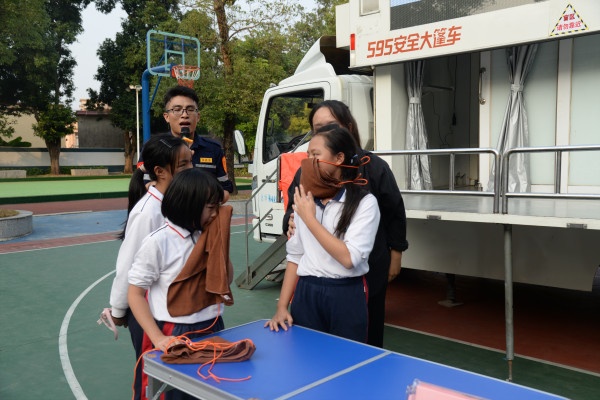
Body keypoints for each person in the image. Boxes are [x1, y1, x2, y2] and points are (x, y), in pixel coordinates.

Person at [282, 100, 408, 348]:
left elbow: (394, 210)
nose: (323, 132)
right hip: (314, 283)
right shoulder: (307, 171)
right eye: (317, 129)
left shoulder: (374, 169)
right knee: (308, 350)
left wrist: (396, 253)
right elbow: (293, 210)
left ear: (348, 127)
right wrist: (290, 222)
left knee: (365, 337)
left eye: (330, 125)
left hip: (366, 268)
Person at [266, 126, 381, 343]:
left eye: (316, 155)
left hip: (345, 294)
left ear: (339, 158)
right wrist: (281, 306)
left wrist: (309, 219)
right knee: (305, 355)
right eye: (308, 155)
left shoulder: (365, 203)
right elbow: (295, 256)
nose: (309, 161)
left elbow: (349, 258)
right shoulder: (306, 199)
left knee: (346, 357)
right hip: (306, 292)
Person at [128, 168, 231, 400]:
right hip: (174, 331)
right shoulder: (158, 242)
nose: (216, 213)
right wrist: (158, 338)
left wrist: (221, 247)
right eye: (211, 208)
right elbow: (134, 294)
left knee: (209, 391)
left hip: (212, 326)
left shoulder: (207, 234)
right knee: (173, 394)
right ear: (189, 206)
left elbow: (226, 280)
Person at [108, 133, 192, 400]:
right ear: (160, 171)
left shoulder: (178, 203)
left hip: (172, 310)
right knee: (153, 382)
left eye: (191, 162)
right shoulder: (148, 212)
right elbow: (128, 264)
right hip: (150, 313)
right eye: (183, 165)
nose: (191, 169)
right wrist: (119, 309)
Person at [162, 85, 233, 201]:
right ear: (166, 117)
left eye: (190, 109)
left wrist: (202, 201)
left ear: (198, 116)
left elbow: (225, 190)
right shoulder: (156, 148)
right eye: (177, 109)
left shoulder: (214, 149)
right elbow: (146, 186)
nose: (184, 115)